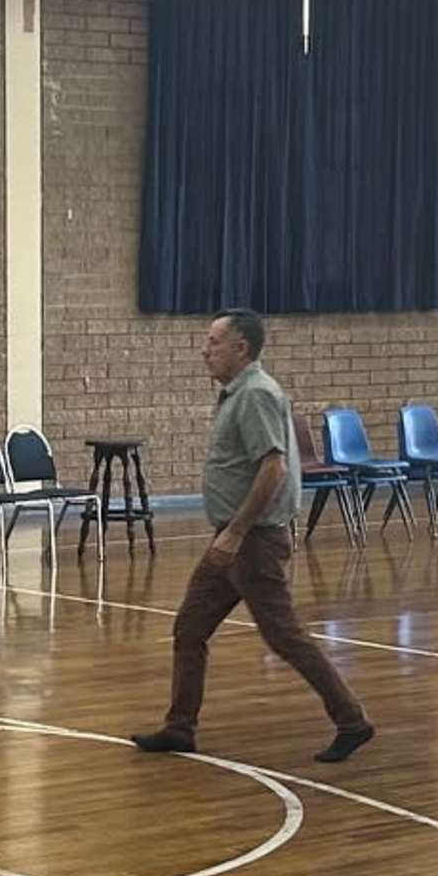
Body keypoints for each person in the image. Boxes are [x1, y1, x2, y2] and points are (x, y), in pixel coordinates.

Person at [132, 310, 374, 765]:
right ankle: (179, 728)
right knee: (189, 627)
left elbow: (274, 466)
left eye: (214, 343)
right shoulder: (235, 394)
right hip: (232, 536)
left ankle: (352, 721)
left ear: (241, 349)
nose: (205, 351)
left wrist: (237, 532)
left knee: (285, 636)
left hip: (252, 540)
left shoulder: (257, 395)